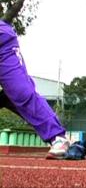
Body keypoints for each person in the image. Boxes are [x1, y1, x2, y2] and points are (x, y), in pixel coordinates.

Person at [0, 19, 70, 159]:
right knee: (15, 93)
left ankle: (57, 137)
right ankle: (8, 96)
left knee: (21, 91)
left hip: (2, 43)